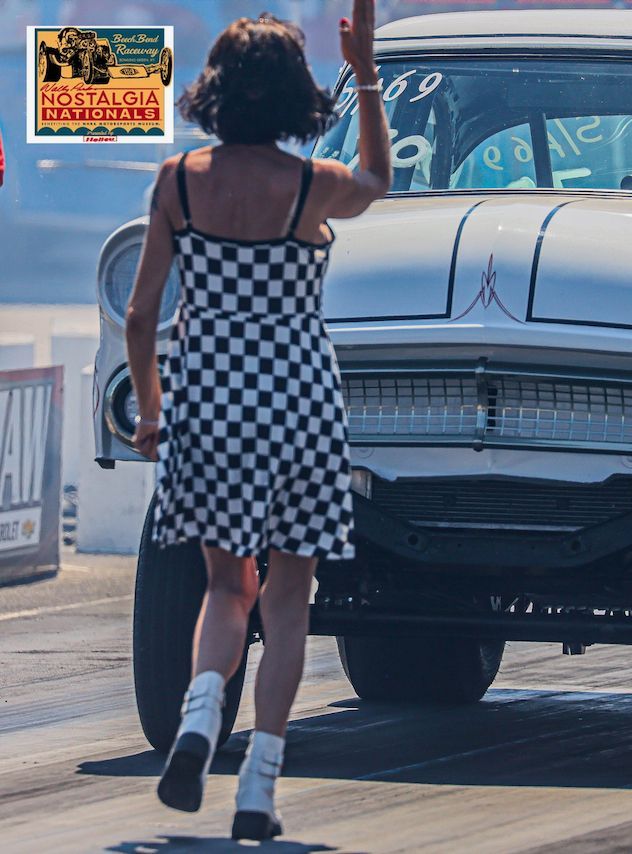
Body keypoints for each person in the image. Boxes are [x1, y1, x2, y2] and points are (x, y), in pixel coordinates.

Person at [124, 0, 389, 840]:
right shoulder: (310, 188)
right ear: (290, 97)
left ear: (217, 91)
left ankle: (202, 717)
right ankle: (257, 794)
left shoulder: (177, 182)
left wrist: (152, 411)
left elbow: (141, 317)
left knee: (224, 585)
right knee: (289, 598)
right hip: (299, 400)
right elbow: (380, 182)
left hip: (209, 398)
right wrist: (370, 73)